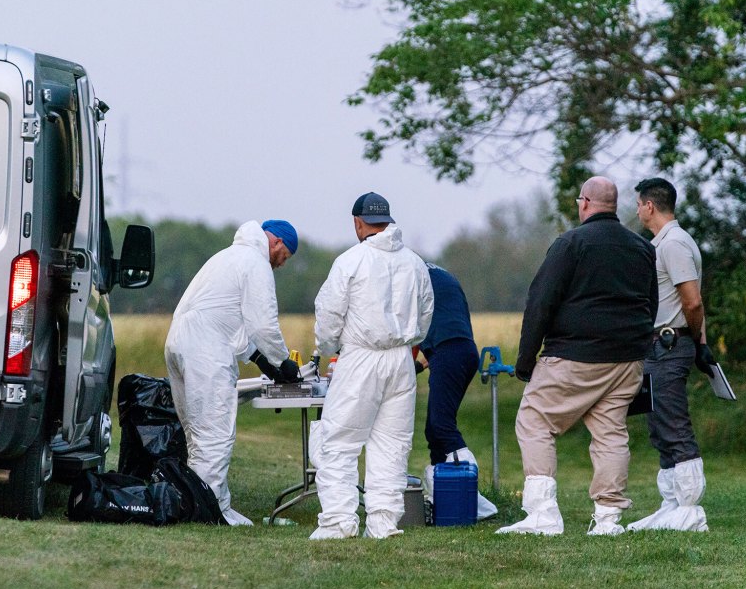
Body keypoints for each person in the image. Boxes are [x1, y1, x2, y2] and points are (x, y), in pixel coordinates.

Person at [498, 176, 657, 536]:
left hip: (575, 355)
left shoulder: (571, 244)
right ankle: (608, 518)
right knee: (610, 432)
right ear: (614, 206)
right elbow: (652, 302)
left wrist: (526, 362)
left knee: (535, 421)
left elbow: (541, 302)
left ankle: (542, 514)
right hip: (627, 359)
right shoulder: (641, 248)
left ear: (584, 203)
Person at [310, 192, 434, 539]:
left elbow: (329, 314)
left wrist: (328, 347)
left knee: (340, 441)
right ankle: (382, 522)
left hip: (361, 357)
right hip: (401, 361)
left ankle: (338, 521)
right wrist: (408, 342)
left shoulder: (351, 261)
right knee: (391, 443)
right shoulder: (415, 263)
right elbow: (426, 316)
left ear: (357, 223)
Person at [164, 219, 302, 526]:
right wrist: (283, 361)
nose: (281, 264)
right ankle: (210, 513)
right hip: (205, 352)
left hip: (178, 343)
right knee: (214, 435)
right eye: (285, 257)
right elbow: (263, 324)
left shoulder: (226, 257)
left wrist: (262, 362)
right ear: (278, 243)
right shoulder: (256, 263)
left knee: (197, 435)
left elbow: (229, 323)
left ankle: (203, 503)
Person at [627, 178, 715, 532]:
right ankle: (672, 505)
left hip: (670, 344)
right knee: (659, 425)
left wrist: (698, 343)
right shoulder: (661, 243)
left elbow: (692, 301)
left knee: (674, 424)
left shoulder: (674, 243)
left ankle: (691, 509)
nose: (636, 210)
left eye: (638, 204)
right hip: (658, 346)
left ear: (650, 206)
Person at [416, 263, 498, 521]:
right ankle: (442, 499)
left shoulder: (409, 275)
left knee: (442, 426)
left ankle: (471, 501)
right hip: (461, 350)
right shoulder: (437, 274)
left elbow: (407, 331)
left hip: (448, 351)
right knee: (434, 428)